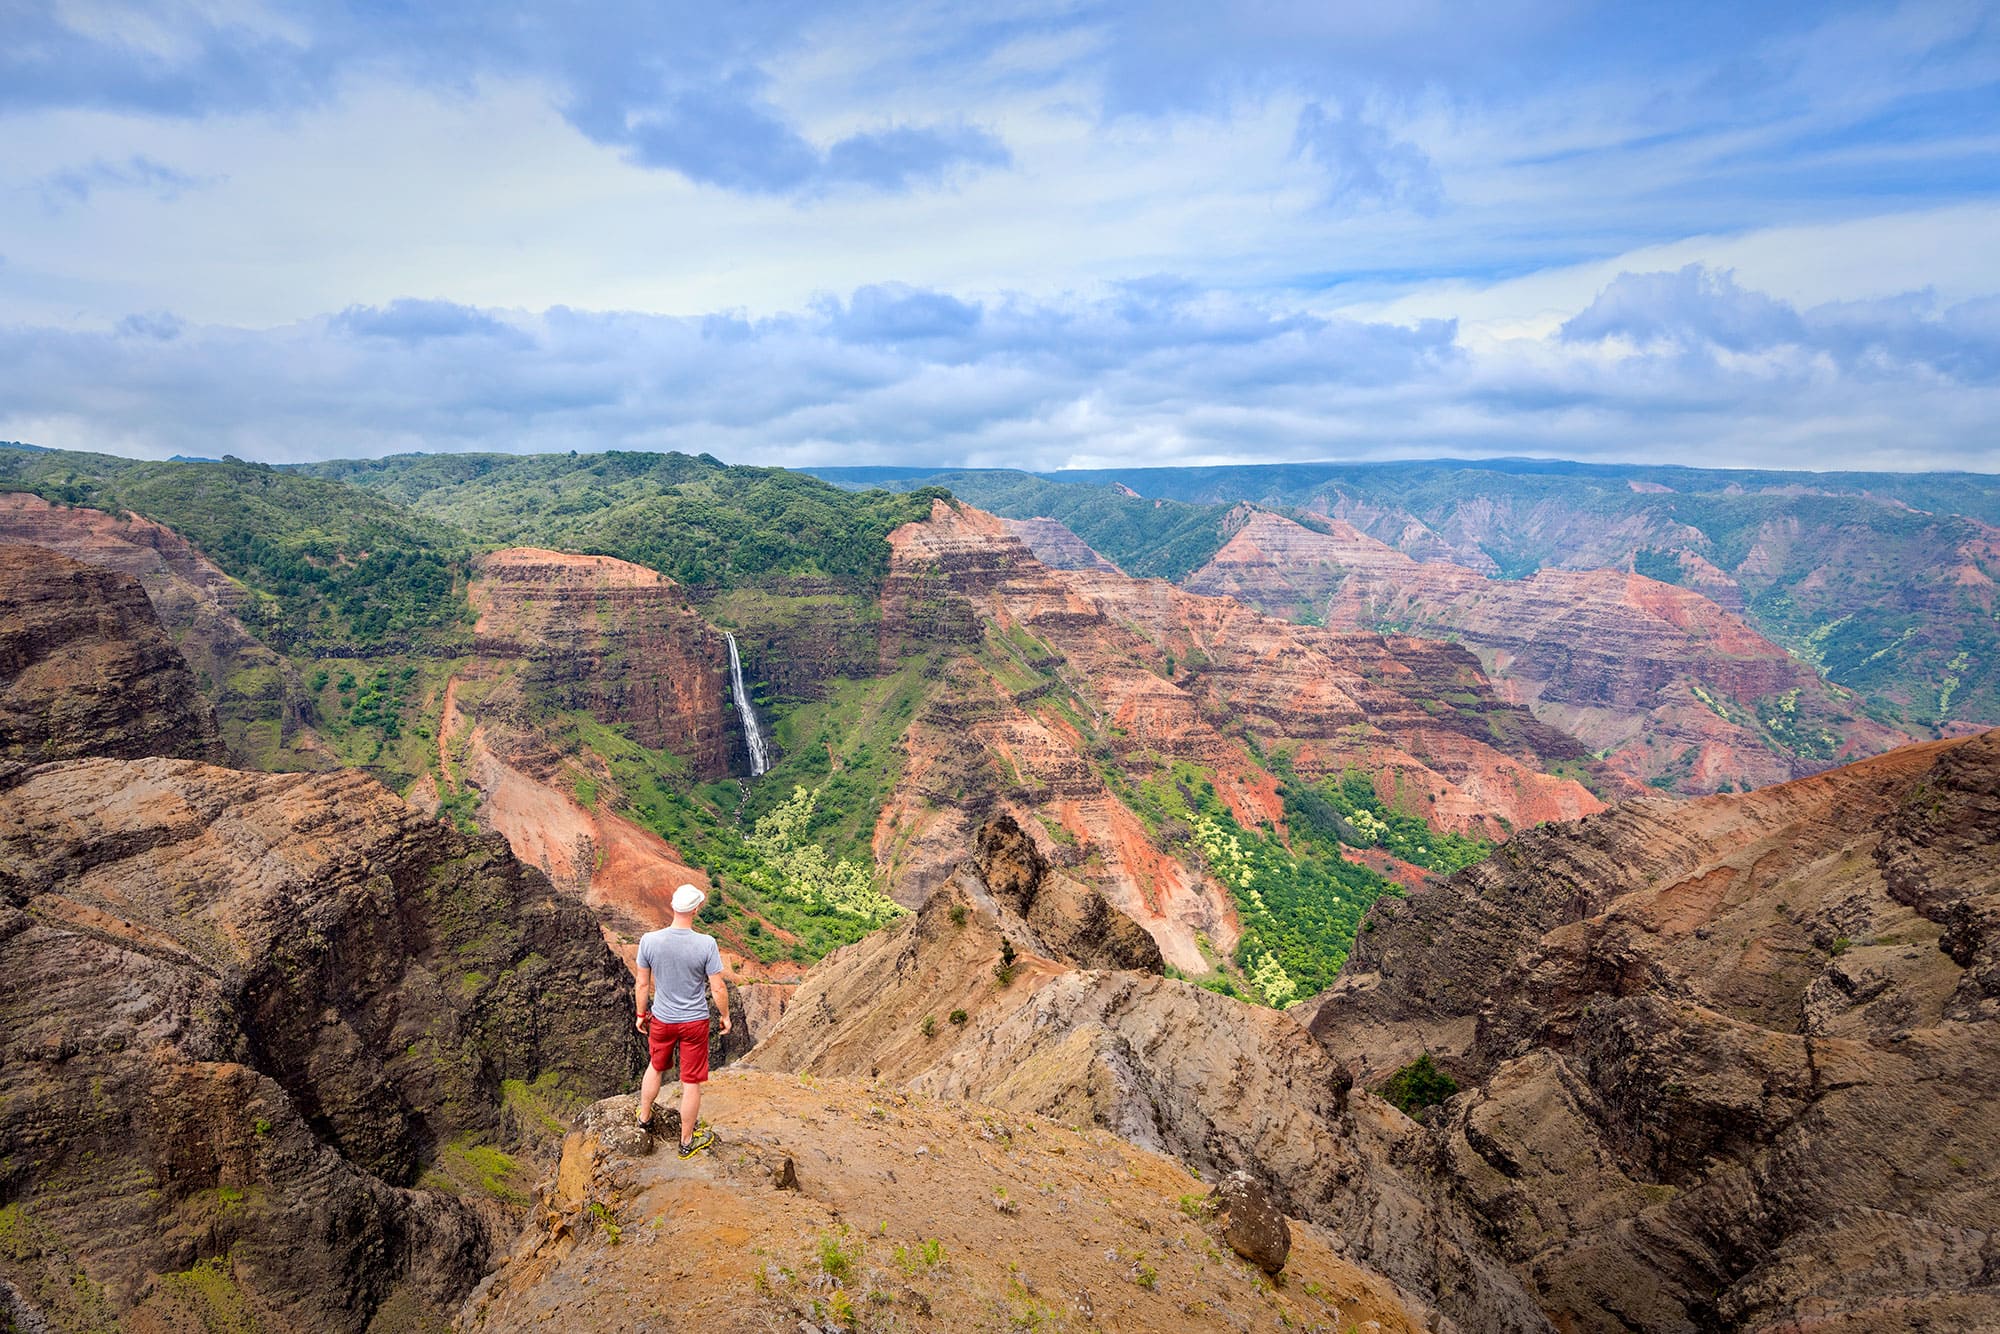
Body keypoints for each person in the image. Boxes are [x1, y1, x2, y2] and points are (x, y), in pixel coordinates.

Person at [634, 883, 731, 1157]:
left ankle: (644, 1118)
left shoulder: (649, 941)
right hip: (694, 1023)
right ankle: (686, 1142)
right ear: (696, 909)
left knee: (655, 1066)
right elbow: (718, 988)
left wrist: (640, 1014)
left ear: (672, 905)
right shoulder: (706, 944)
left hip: (662, 1019)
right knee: (691, 1082)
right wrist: (725, 1016)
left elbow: (642, 984)